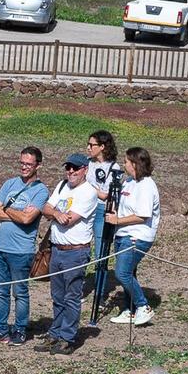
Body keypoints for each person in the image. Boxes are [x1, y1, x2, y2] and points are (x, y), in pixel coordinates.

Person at [0, 148, 49, 346]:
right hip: (0, 247)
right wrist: (17, 213)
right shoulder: (10, 183)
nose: (24, 167)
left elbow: (29, 219)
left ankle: (20, 329)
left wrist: (7, 209)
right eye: (22, 163)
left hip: (21, 250)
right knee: (0, 291)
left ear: (38, 165)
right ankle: (0, 329)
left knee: (20, 292)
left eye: (29, 164)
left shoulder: (40, 190)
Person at [40, 155, 100, 354]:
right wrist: (56, 213)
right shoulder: (61, 185)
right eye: (68, 168)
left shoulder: (88, 193)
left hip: (76, 251)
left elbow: (70, 220)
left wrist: (55, 213)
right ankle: (55, 333)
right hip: (57, 249)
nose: (71, 172)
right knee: (57, 295)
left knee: (71, 296)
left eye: (75, 168)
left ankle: (67, 337)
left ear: (84, 169)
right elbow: (47, 208)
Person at [105, 146, 160, 327]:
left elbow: (142, 215)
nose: (124, 164)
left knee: (122, 272)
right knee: (129, 272)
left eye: (127, 161)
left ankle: (143, 306)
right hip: (122, 234)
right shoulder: (128, 182)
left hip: (137, 236)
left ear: (136, 164)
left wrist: (117, 220)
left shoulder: (146, 186)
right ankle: (129, 310)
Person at [85, 129, 125, 319]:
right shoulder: (87, 165)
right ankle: (80, 289)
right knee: (82, 249)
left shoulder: (114, 168)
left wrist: (89, 188)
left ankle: (99, 295)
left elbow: (108, 194)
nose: (88, 148)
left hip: (101, 211)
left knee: (101, 253)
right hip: (86, 209)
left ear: (102, 147)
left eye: (92, 145)